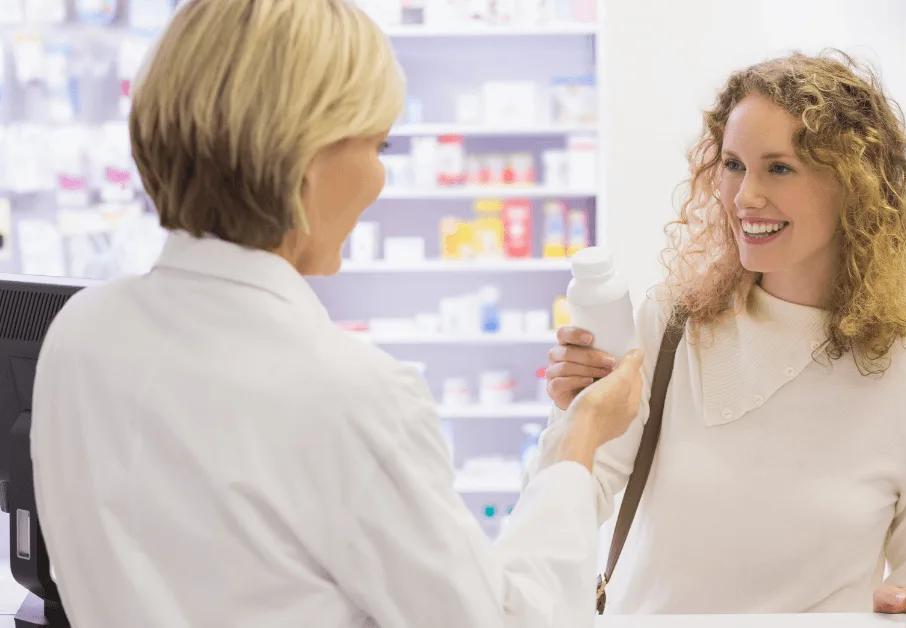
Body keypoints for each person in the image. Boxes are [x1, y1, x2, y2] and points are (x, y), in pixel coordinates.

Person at [29, 2, 645, 627]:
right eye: (377, 143)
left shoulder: (79, 335)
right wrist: (579, 442)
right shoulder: (350, 394)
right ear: (308, 158)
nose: (379, 179)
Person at [530, 51, 906, 628]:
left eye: (780, 168)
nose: (745, 196)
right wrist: (573, 420)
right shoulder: (670, 328)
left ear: (856, 187)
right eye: (734, 165)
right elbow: (564, 507)